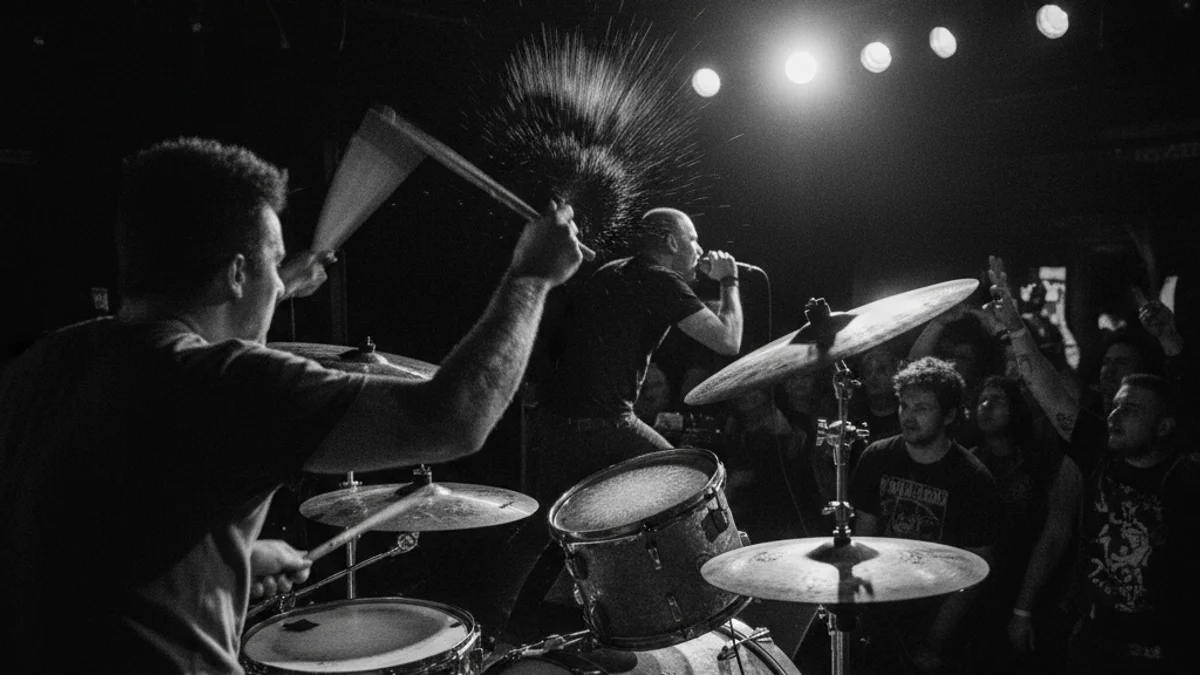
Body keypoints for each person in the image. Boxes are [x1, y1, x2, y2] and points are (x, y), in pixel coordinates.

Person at [0, 137, 584, 674]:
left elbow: (88, 535)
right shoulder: (224, 383)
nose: (280, 289)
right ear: (235, 273)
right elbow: (454, 418)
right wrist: (531, 278)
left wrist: (236, 558)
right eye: (269, 267)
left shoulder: (42, 364)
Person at [499, 207, 744, 640]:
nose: (700, 249)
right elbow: (728, 338)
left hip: (558, 422)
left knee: (542, 532)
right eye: (693, 239)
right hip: (607, 422)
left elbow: (669, 308)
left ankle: (496, 624)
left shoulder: (618, 273)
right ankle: (714, 602)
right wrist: (729, 281)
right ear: (670, 242)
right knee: (696, 488)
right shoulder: (660, 281)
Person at [848, 356, 1000, 673]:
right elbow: (863, 540)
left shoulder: (973, 479)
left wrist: (934, 641)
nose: (908, 416)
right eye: (904, 405)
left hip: (939, 620)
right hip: (882, 613)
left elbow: (975, 570)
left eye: (922, 408)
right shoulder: (876, 458)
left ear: (949, 415)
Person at [1066, 374, 1198, 674]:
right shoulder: (1101, 456)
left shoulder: (1187, 480)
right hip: (1092, 641)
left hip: (1162, 655)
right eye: (1115, 406)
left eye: (1131, 409)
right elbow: (1051, 396)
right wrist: (1017, 330)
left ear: (1164, 426)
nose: (1114, 415)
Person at [966, 376, 1082, 674]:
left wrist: (1024, 608)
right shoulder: (970, 461)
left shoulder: (1042, 460)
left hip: (1034, 587)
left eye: (997, 400)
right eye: (982, 400)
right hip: (980, 593)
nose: (986, 406)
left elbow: (1057, 533)